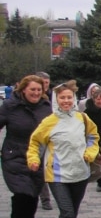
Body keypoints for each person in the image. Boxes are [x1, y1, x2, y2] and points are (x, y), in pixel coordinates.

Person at [27, 80, 100, 218]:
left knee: (71, 215)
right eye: (62, 98)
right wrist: (33, 159)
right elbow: (34, 143)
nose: (66, 101)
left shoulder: (82, 118)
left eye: (69, 97)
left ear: (74, 99)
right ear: (55, 100)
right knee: (67, 213)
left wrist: (90, 153)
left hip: (80, 174)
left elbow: (93, 136)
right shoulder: (48, 122)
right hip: (57, 175)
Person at [0, 75, 51, 218]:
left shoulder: (46, 107)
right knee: (22, 192)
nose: (36, 93)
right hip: (14, 155)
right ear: (23, 90)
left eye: (39, 90)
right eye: (32, 90)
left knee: (32, 195)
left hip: (37, 156)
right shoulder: (10, 106)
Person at [84, 86, 101, 192]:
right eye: (98, 99)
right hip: (96, 138)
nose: (100, 101)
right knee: (100, 159)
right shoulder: (88, 112)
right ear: (94, 99)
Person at [35, 72, 54, 210]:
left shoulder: (53, 95)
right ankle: (45, 199)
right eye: (42, 82)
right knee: (40, 168)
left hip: (51, 137)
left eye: (47, 82)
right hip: (37, 138)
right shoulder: (35, 98)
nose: (45, 85)